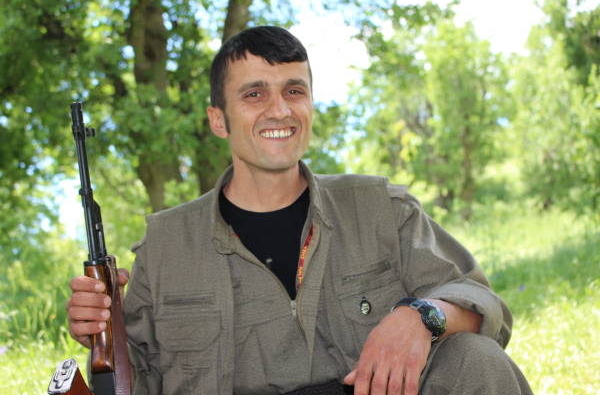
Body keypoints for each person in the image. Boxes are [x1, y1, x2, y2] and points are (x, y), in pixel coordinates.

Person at [66, 26, 532, 395]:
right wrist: (102, 335)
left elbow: (481, 305)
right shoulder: (166, 246)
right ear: (218, 120)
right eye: (254, 94)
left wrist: (422, 316)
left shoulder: (379, 208)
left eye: (294, 91)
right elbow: (137, 382)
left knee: (475, 359)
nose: (279, 110)